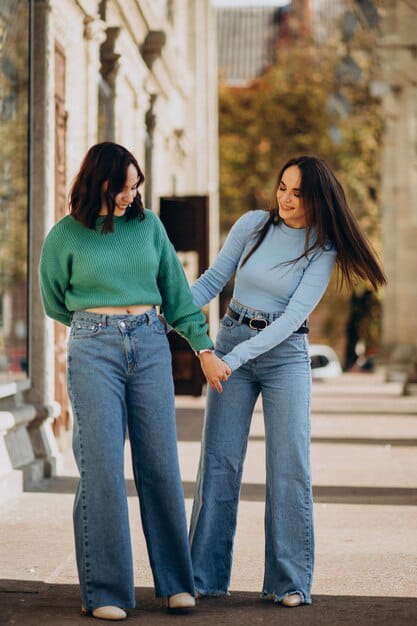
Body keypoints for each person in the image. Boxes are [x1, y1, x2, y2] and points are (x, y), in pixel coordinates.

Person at [38, 142, 229, 621]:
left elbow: (177, 295)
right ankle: (105, 590)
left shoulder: (149, 228)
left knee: (160, 465)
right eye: (123, 186)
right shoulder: (64, 236)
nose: (131, 194)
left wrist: (202, 347)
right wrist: (95, 323)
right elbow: (54, 300)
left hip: (148, 342)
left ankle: (175, 584)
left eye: (136, 185)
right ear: (98, 182)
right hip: (92, 346)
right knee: (101, 467)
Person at [189, 155, 386, 607]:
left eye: (298, 193)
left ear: (317, 199)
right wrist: (169, 314)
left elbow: (292, 318)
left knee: (289, 466)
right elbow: (212, 281)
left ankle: (289, 582)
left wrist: (231, 360)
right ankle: (202, 576)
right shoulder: (254, 225)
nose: (286, 199)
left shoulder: (323, 248)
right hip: (231, 336)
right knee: (219, 463)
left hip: (284, 356)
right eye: (283, 187)